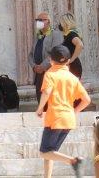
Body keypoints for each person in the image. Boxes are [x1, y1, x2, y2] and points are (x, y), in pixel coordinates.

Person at [35, 45, 90, 178]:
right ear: (67, 61)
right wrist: (74, 111)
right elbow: (86, 100)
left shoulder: (50, 74)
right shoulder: (73, 78)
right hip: (68, 119)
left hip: (55, 118)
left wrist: (40, 108)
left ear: (50, 60)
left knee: (44, 152)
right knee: (51, 152)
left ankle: (74, 161)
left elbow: (46, 92)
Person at [29, 12, 64, 102]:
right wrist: (34, 66)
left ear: (48, 21)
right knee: (40, 99)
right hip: (39, 74)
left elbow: (55, 53)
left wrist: (43, 66)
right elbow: (31, 54)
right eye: (37, 20)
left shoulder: (56, 34)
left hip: (50, 72)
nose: (38, 22)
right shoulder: (38, 36)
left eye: (40, 20)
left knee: (50, 100)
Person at [58, 13, 83, 79]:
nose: (60, 25)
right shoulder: (67, 35)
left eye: (61, 22)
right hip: (68, 67)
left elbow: (80, 45)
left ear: (65, 23)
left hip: (73, 67)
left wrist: (71, 60)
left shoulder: (71, 34)